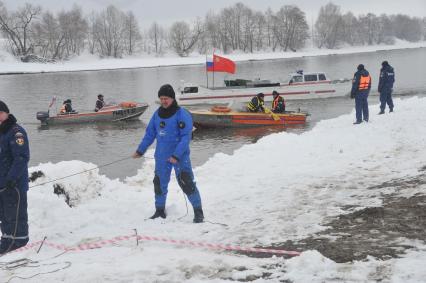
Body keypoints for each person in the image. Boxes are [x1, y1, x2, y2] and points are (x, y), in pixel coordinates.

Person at [132, 84, 204, 223]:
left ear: (172, 98)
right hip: (162, 155)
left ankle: (198, 212)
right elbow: (150, 134)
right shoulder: (157, 115)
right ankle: (159, 211)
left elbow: (186, 137)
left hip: (180, 156)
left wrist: (176, 155)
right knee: (159, 183)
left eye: (166, 98)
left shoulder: (182, 113)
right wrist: (140, 150)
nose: (164, 101)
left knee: (186, 182)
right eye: (161, 98)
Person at [0, 101, 30, 255]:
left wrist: (11, 178)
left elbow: (22, 157)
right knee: (4, 215)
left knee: (16, 214)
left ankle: (19, 241)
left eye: (0, 113)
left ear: (6, 112)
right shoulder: (1, 132)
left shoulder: (16, 132)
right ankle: (6, 240)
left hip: (14, 183)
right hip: (2, 184)